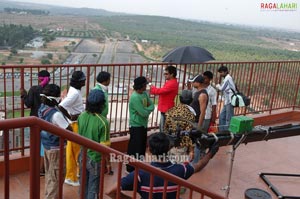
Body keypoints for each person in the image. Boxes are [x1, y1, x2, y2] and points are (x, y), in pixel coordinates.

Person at [106, 132, 219, 199]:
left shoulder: (140, 174)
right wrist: (211, 153)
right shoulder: (180, 170)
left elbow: (110, 191)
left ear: (149, 150)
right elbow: (199, 165)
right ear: (169, 148)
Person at [38, 84, 72, 199]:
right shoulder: (56, 115)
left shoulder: (42, 108)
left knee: (50, 176)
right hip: (57, 150)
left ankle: (48, 196)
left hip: (47, 147)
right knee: (57, 178)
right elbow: (69, 131)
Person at [78, 89, 110, 199]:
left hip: (82, 155)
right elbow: (104, 147)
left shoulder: (81, 116)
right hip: (95, 159)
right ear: (102, 104)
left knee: (83, 185)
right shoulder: (103, 122)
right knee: (93, 188)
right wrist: (108, 163)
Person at [20, 69, 51, 176]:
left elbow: (28, 104)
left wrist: (23, 95)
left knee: (34, 144)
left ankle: (36, 168)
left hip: (35, 120)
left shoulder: (34, 89)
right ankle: (43, 168)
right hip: (47, 120)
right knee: (45, 144)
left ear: (39, 79)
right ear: (49, 79)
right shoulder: (50, 89)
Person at [58, 71, 86, 186]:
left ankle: (76, 173)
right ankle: (70, 177)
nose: (85, 81)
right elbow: (61, 106)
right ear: (79, 82)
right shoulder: (74, 93)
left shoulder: (75, 90)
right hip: (75, 124)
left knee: (76, 150)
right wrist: (70, 116)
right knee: (73, 151)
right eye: (83, 79)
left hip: (77, 122)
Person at [126, 76, 154, 173]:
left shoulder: (144, 94)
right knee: (135, 147)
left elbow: (152, 105)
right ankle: (130, 168)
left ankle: (139, 165)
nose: (146, 86)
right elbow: (144, 113)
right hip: (136, 125)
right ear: (141, 86)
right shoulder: (135, 97)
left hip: (143, 124)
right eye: (145, 84)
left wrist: (145, 110)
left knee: (142, 147)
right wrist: (146, 110)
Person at [94, 71, 113, 175]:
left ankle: (106, 165)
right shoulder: (98, 91)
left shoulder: (102, 89)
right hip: (100, 119)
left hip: (102, 118)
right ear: (106, 81)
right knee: (103, 142)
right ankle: (105, 165)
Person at [149, 65, 179, 132]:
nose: (164, 75)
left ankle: (163, 140)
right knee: (163, 126)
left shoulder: (172, 83)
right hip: (166, 107)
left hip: (166, 108)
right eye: (164, 74)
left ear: (172, 74)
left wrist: (151, 86)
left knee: (163, 128)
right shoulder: (171, 82)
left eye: (166, 74)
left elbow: (160, 91)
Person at [214, 66, 236, 131]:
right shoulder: (226, 78)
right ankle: (222, 131)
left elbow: (222, 88)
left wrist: (217, 84)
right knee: (222, 116)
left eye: (221, 72)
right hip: (227, 101)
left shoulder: (228, 78)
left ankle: (228, 132)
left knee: (229, 118)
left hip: (230, 100)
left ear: (226, 71)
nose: (220, 74)